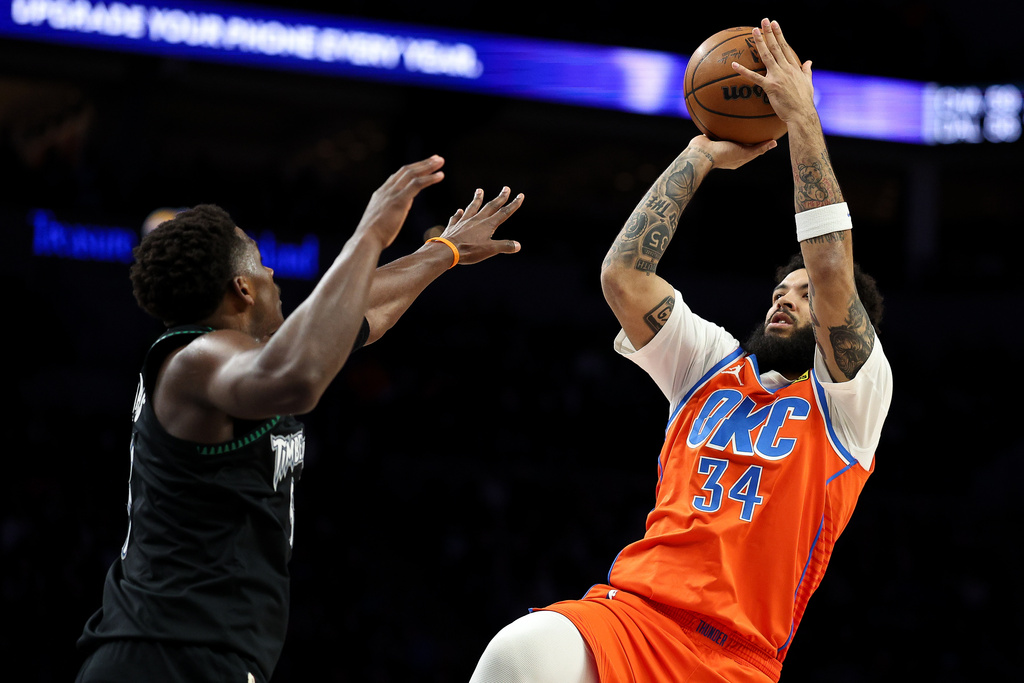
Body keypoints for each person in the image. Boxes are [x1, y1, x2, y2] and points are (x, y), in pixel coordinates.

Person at [469, 18, 892, 683]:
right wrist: (698, 157)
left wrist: (802, 122)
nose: (785, 298)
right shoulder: (711, 366)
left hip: (733, 656)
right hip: (634, 614)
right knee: (519, 652)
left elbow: (833, 264)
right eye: (781, 289)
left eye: (804, 294)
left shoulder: (852, 399)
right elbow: (623, 277)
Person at [75, 155, 524, 683]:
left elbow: (354, 317)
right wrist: (368, 235)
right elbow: (301, 376)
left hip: (194, 655)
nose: (271, 274)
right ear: (242, 289)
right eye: (261, 264)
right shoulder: (194, 360)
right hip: (166, 655)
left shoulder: (239, 357)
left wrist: (440, 253)